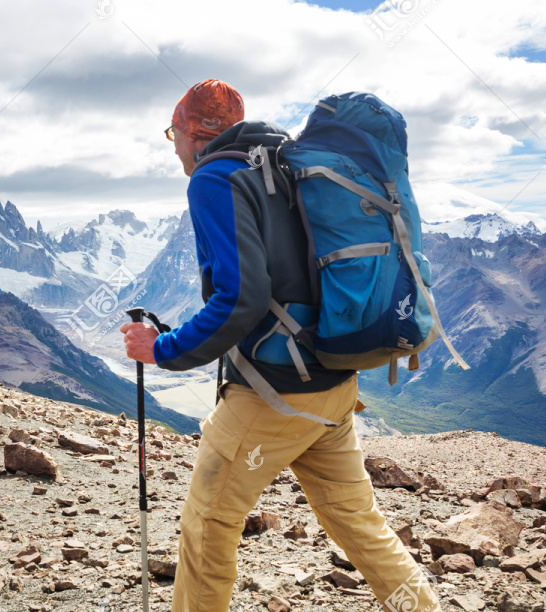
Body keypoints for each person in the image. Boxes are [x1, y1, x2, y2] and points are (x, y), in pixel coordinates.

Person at [119, 79, 440, 612]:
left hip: (275, 398)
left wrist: (164, 349)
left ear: (197, 132)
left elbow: (242, 298)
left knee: (208, 524)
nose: (173, 144)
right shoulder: (283, 163)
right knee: (358, 523)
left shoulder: (214, 179)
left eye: (174, 131)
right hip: (333, 383)